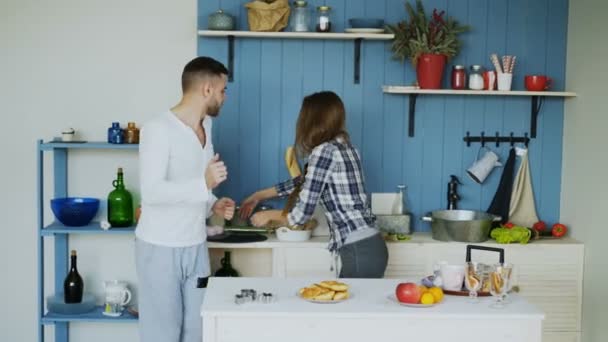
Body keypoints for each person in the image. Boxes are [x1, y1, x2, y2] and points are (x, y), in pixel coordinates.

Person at [135, 56, 235, 342]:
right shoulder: (157, 129)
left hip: (196, 248)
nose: (224, 97)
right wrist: (203, 184)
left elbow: (197, 184)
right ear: (206, 89)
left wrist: (213, 201)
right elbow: (152, 192)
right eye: (222, 90)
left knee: (198, 331)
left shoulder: (207, 128)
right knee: (162, 335)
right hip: (160, 250)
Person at [241, 91, 388, 278]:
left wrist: (269, 215)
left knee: (346, 305)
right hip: (371, 245)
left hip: (359, 250)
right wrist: (258, 196)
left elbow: (301, 215)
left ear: (311, 120)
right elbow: (305, 182)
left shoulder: (324, 151)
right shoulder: (347, 148)